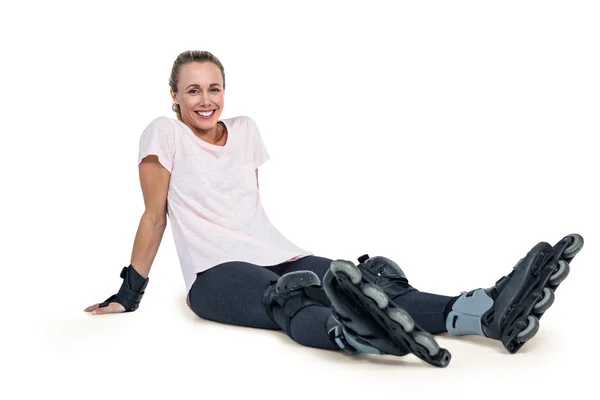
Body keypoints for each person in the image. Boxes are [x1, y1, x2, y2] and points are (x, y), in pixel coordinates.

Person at [84, 50, 584, 368]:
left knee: (372, 284)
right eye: (192, 89)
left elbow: (247, 204)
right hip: (216, 273)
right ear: (174, 95)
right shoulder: (163, 133)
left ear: (224, 90)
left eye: (214, 87)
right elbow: (155, 215)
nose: (206, 99)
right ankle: (358, 338)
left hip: (276, 250)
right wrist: (129, 293)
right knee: (291, 297)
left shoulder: (246, 129)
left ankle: (482, 313)